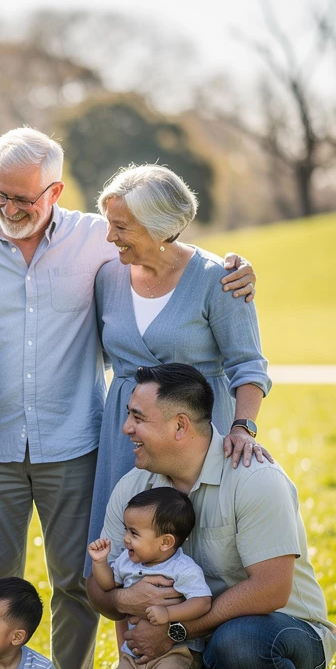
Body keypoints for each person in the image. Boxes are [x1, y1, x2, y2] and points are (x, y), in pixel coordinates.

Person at [0, 127, 256, 669]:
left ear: (55, 191)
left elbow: (169, 255)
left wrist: (235, 268)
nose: (9, 208)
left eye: (23, 198)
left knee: (80, 581)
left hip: (74, 442)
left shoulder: (97, 240)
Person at [83, 364, 336, 669]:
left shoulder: (254, 478)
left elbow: (272, 589)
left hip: (278, 640)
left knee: (238, 646)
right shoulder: (134, 488)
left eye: (137, 418)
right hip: (186, 653)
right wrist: (125, 600)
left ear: (179, 426)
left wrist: (175, 628)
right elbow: (98, 588)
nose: (126, 429)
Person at [88, 164, 272, 546]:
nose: (109, 236)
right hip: (127, 434)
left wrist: (243, 428)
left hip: (196, 434)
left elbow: (248, 365)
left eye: (121, 227)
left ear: (157, 227)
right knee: (125, 543)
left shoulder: (218, 278)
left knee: (201, 542)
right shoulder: (107, 278)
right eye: (109, 224)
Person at [87, 487, 213, 669]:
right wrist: (100, 562)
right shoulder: (127, 561)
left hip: (176, 652)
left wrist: (168, 614)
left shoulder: (183, 569)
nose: (126, 539)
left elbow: (202, 602)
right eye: (126, 530)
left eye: (134, 533)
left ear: (165, 542)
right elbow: (108, 585)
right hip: (134, 654)